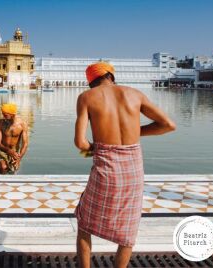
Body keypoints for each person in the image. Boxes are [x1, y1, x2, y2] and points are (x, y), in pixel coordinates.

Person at [74, 62, 176, 268]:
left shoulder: (87, 97)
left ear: (90, 81)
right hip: (133, 170)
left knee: (85, 223)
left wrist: (93, 149)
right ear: (110, 75)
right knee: (127, 232)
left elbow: (80, 142)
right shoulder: (134, 94)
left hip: (106, 168)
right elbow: (168, 125)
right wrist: (136, 132)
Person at [0, 103, 29, 174]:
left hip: (15, 152)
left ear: (12, 114)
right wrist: (8, 151)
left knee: (13, 171)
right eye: (2, 114)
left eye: (5, 115)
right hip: (3, 150)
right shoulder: (0, 123)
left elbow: (25, 144)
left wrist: (19, 158)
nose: (3, 117)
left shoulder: (22, 124)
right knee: (3, 168)